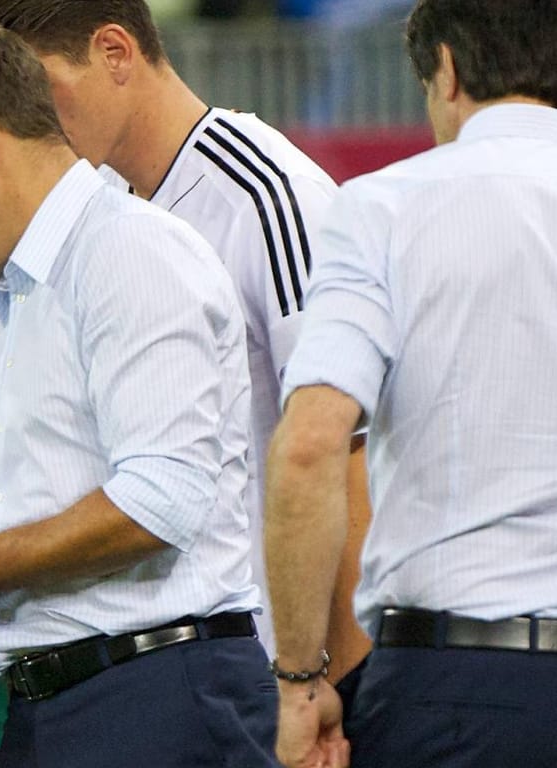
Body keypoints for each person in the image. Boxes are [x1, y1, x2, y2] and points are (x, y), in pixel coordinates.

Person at [0, 20, 276, 766]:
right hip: (48, 707)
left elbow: (159, 501)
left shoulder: (131, 253)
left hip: (157, 698)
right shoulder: (2, 312)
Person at [0, 0, 371, 679]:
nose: (16, 118)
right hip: (184, 668)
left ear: (116, 52)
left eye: (34, 88)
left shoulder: (270, 197)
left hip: (272, 677)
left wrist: (338, 690)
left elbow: (349, 461)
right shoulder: (97, 212)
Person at [262, 1, 557, 766]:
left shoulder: (385, 207)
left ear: (448, 71)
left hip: (458, 689)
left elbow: (311, 447)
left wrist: (300, 683)